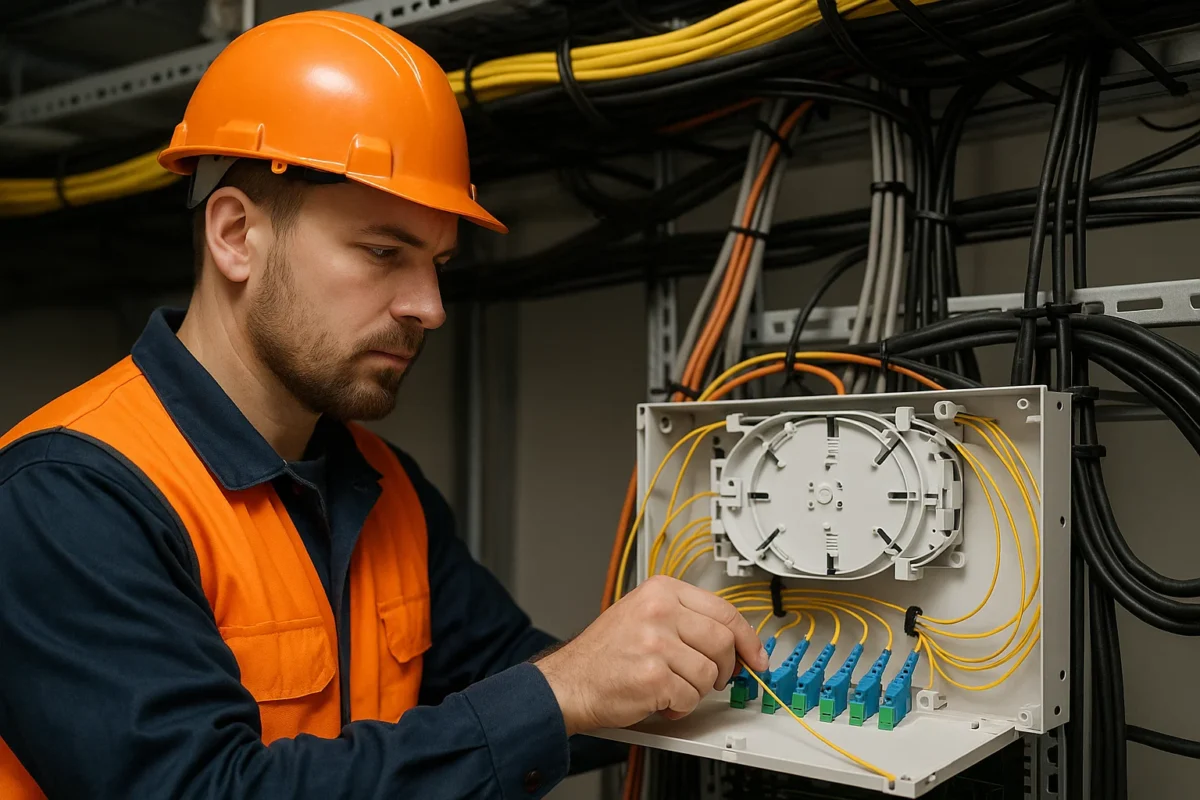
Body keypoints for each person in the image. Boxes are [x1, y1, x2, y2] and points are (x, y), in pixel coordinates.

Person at [0, 10, 769, 799]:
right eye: (383, 252)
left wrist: (669, 678)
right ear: (234, 235)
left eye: (436, 263)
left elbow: (514, 683)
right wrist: (562, 692)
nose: (430, 307)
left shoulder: (382, 486)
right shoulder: (67, 496)